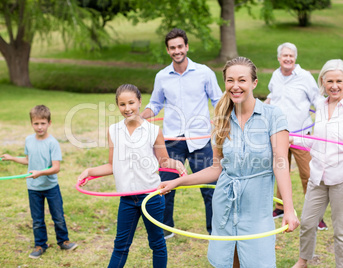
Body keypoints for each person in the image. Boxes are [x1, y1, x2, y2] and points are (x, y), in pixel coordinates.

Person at [158, 57, 300, 267]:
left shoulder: (273, 116)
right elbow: (217, 169)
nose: (235, 86)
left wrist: (288, 208)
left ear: (254, 83)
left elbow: (280, 163)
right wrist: (178, 181)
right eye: (230, 80)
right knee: (228, 262)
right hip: (225, 203)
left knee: (259, 261)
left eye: (242, 80)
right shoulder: (221, 120)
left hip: (256, 208)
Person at [77, 84, 186, 268]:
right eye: (122, 104)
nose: (127, 108)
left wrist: (176, 164)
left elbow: (164, 161)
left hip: (151, 196)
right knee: (120, 245)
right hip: (127, 198)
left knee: (157, 243)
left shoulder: (153, 131)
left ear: (139, 102)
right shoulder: (113, 131)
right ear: (117, 105)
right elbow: (112, 165)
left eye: (131, 103)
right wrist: (89, 172)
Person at [140, 28, 222, 238]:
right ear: (168, 50)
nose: (177, 51)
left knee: (209, 188)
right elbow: (156, 103)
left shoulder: (204, 73)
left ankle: (214, 231)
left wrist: (224, 121)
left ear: (186, 47)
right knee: (166, 187)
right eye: (172, 48)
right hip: (172, 141)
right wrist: (139, 118)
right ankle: (165, 230)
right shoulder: (162, 76)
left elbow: (218, 100)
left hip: (200, 140)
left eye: (180, 46)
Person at [291, 59, 343, 268]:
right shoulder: (319, 105)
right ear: (323, 82)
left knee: (341, 229)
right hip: (318, 174)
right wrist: (294, 139)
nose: (334, 86)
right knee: (308, 223)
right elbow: (315, 140)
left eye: (338, 81)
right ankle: (303, 261)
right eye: (330, 81)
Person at [263, 42, 327, 230]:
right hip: (280, 134)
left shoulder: (305, 77)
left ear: (295, 58)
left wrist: (326, 120)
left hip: (301, 135)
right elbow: (273, 97)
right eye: (285, 56)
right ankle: (280, 208)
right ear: (279, 58)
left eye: (291, 56)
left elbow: (317, 101)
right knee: (281, 171)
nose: (288, 59)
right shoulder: (275, 75)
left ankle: (316, 216)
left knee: (308, 175)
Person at [1, 105, 78, 259]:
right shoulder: (29, 140)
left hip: (50, 187)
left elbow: (56, 168)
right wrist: (12, 158)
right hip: (33, 188)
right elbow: (28, 160)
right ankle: (40, 245)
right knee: (37, 219)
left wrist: (40, 172)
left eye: (43, 123)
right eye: (36, 123)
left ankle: (63, 241)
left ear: (49, 123)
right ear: (31, 124)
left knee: (58, 216)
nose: (39, 127)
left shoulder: (52, 143)